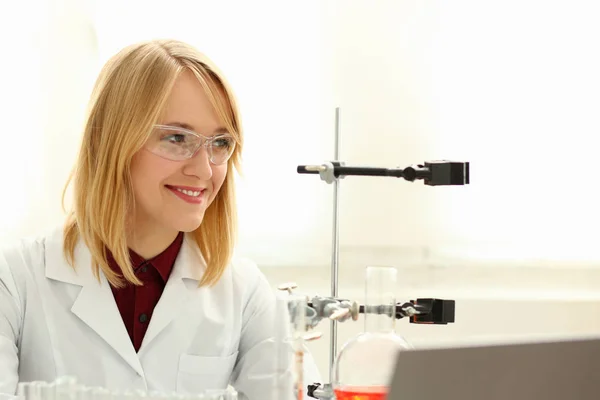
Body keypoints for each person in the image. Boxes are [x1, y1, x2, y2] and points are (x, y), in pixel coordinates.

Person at [0, 39, 320, 400]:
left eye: (219, 143)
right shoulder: (14, 281)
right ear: (114, 141)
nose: (203, 169)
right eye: (176, 138)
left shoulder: (243, 293)